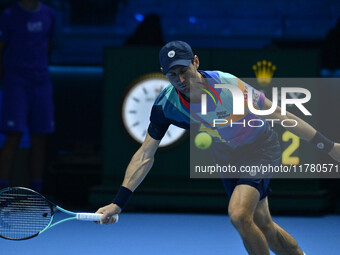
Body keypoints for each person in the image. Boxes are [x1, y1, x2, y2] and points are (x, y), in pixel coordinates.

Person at [96, 41, 340, 255]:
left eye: (184, 71)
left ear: (196, 61)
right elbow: (144, 155)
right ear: (163, 74)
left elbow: (278, 114)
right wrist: (118, 203)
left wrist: (328, 147)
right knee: (263, 224)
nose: (181, 80)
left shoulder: (228, 86)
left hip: (260, 147)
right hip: (227, 157)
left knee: (238, 215)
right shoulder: (166, 106)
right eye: (172, 75)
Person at [0, 0, 55, 192]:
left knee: (40, 137)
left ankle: (36, 195)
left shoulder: (49, 14)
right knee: (13, 135)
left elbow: (49, 45)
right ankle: (3, 192)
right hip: (16, 82)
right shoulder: (8, 15)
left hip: (41, 82)